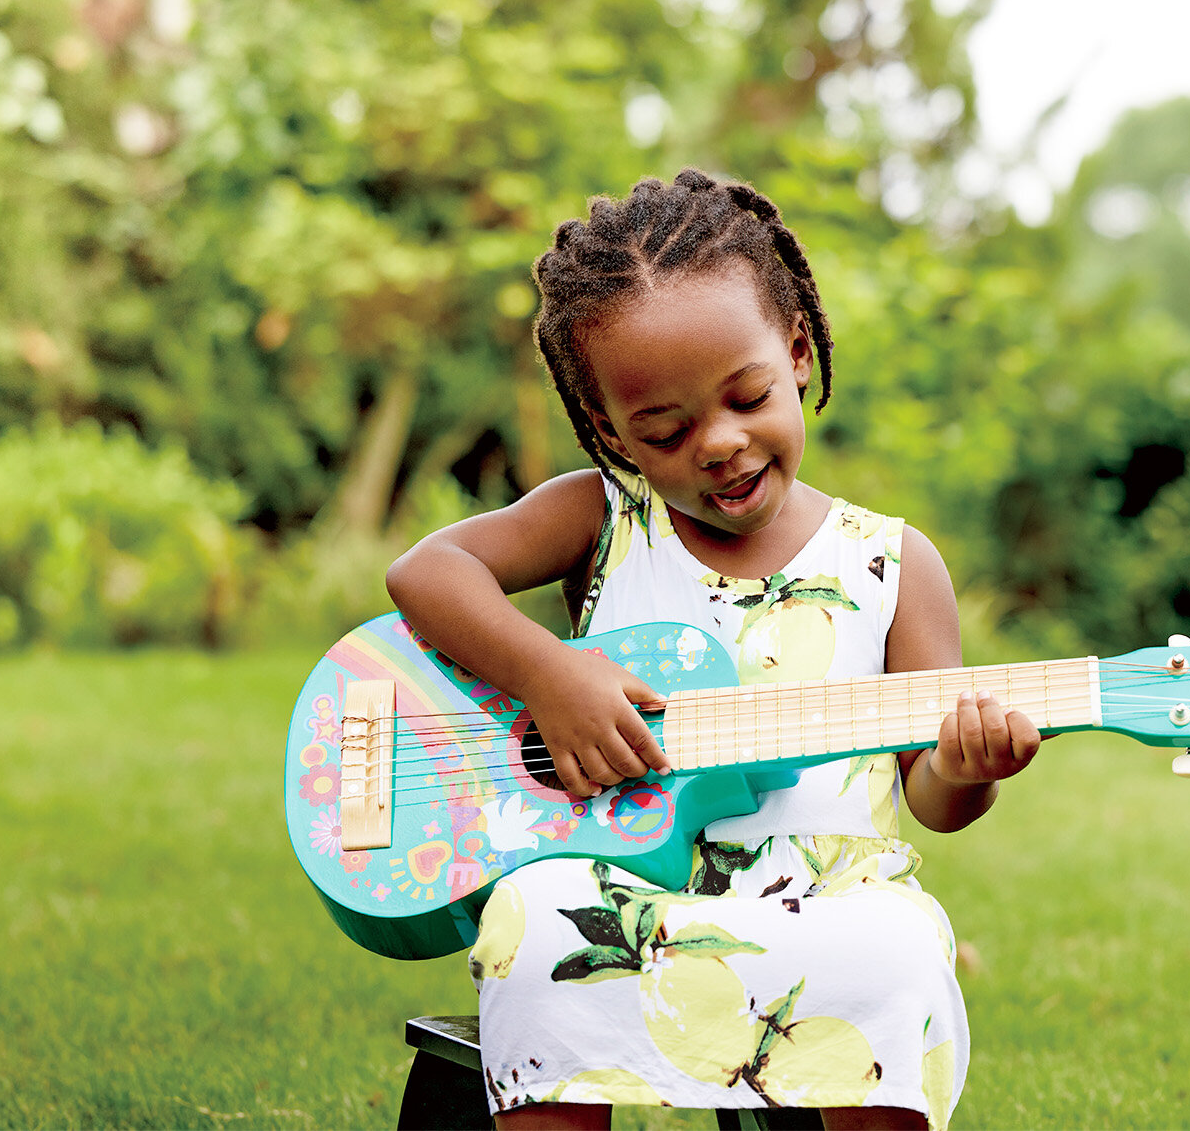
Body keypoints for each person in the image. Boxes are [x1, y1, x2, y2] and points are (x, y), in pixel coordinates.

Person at [385, 168, 1042, 1130]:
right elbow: (426, 572)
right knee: (538, 918)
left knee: (898, 949)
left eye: (748, 397)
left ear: (799, 352)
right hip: (628, 898)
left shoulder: (894, 565)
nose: (719, 444)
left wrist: (969, 767)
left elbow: (934, 801)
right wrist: (551, 674)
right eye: (665, 429)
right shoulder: (604, 520)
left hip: (831, 905)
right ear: (610, 429)